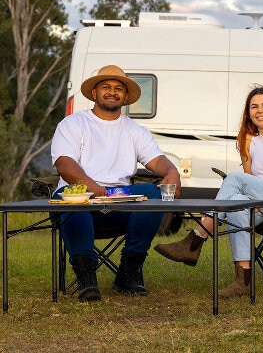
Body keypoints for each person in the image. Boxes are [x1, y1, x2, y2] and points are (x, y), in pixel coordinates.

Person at [154, 86, 263, 298]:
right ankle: (243, 280)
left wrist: (259, 197)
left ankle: (197, 237)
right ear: (248, 113)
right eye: (254, 106)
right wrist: (253, 200)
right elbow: (250, 182)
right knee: (236, 201)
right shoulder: (248, 139)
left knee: (234, 179)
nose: (260, 110)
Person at [51, 64, 181, 302]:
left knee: (151, 193)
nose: (112, 92)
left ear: (125, 96)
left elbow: (157, 161)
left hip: (118, 200)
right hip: (81, 197)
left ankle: (128, 273)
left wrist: (172, 172)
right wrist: (92, 187)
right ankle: (86, 278)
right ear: (94, 93)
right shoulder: (72, 124)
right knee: (72, 197)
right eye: (106, 87)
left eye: (118, 88)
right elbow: (64, 165)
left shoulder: (135, 130)